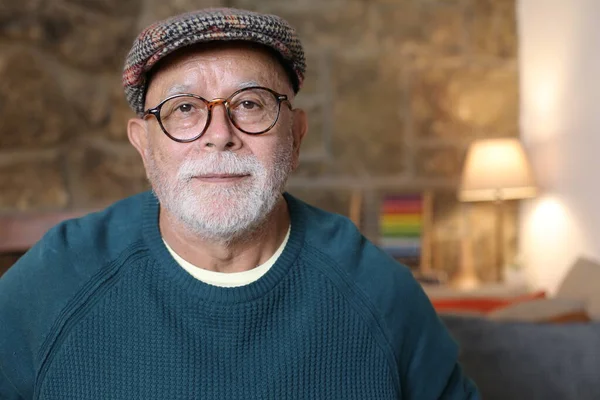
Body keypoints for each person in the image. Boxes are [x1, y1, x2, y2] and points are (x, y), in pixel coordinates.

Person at [0, 7, 479, 400]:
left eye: (249, 104)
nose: (220, 136)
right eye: (185, 109)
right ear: (144, 145)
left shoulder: (379, 292)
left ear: (295, 136)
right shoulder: (54, 281)